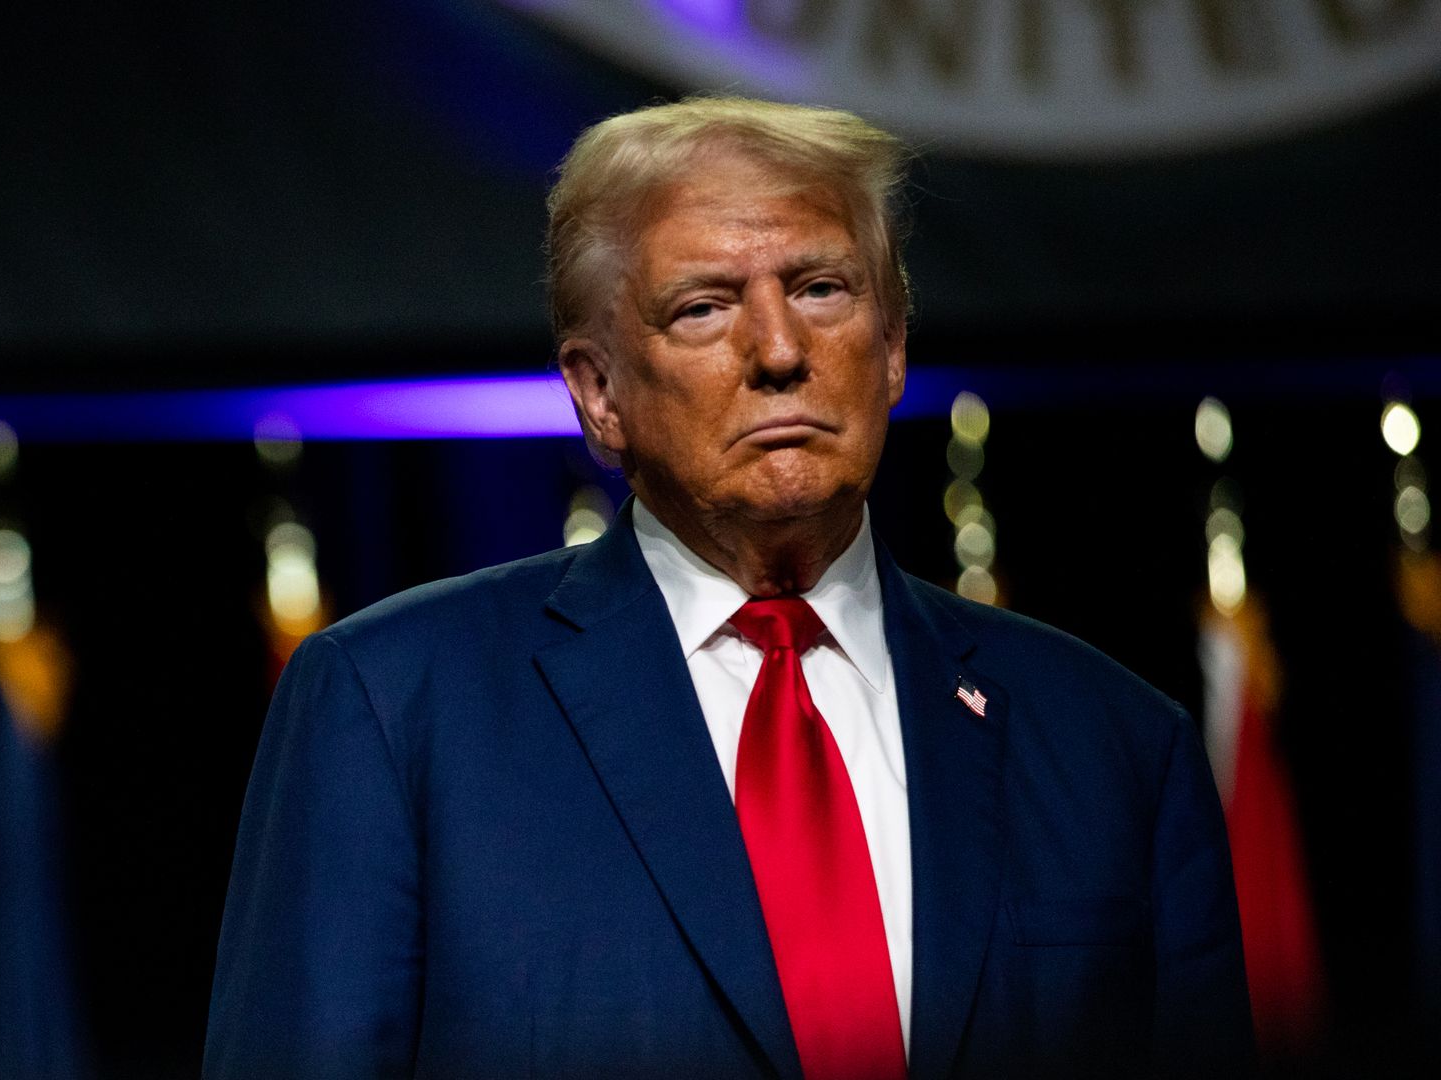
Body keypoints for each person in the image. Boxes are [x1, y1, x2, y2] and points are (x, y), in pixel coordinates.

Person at [204, 96, 1252, 1079]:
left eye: (820, 289)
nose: (781, 351)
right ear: (600, 393)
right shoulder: (394, 711)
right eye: (703, 307)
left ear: (891, 348)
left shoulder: (1115, 744)